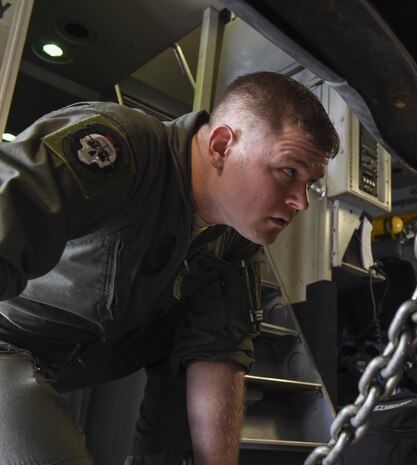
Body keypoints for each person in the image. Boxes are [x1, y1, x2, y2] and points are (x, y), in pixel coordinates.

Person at [0, 71, 339, 465]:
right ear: (221, 145)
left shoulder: (235, 239)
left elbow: (217, 351)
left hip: (83, 361)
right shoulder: (119, 145)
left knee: (198, 331)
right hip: (10, 343)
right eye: (288, 171)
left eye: (310, 182)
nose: (301, 202)